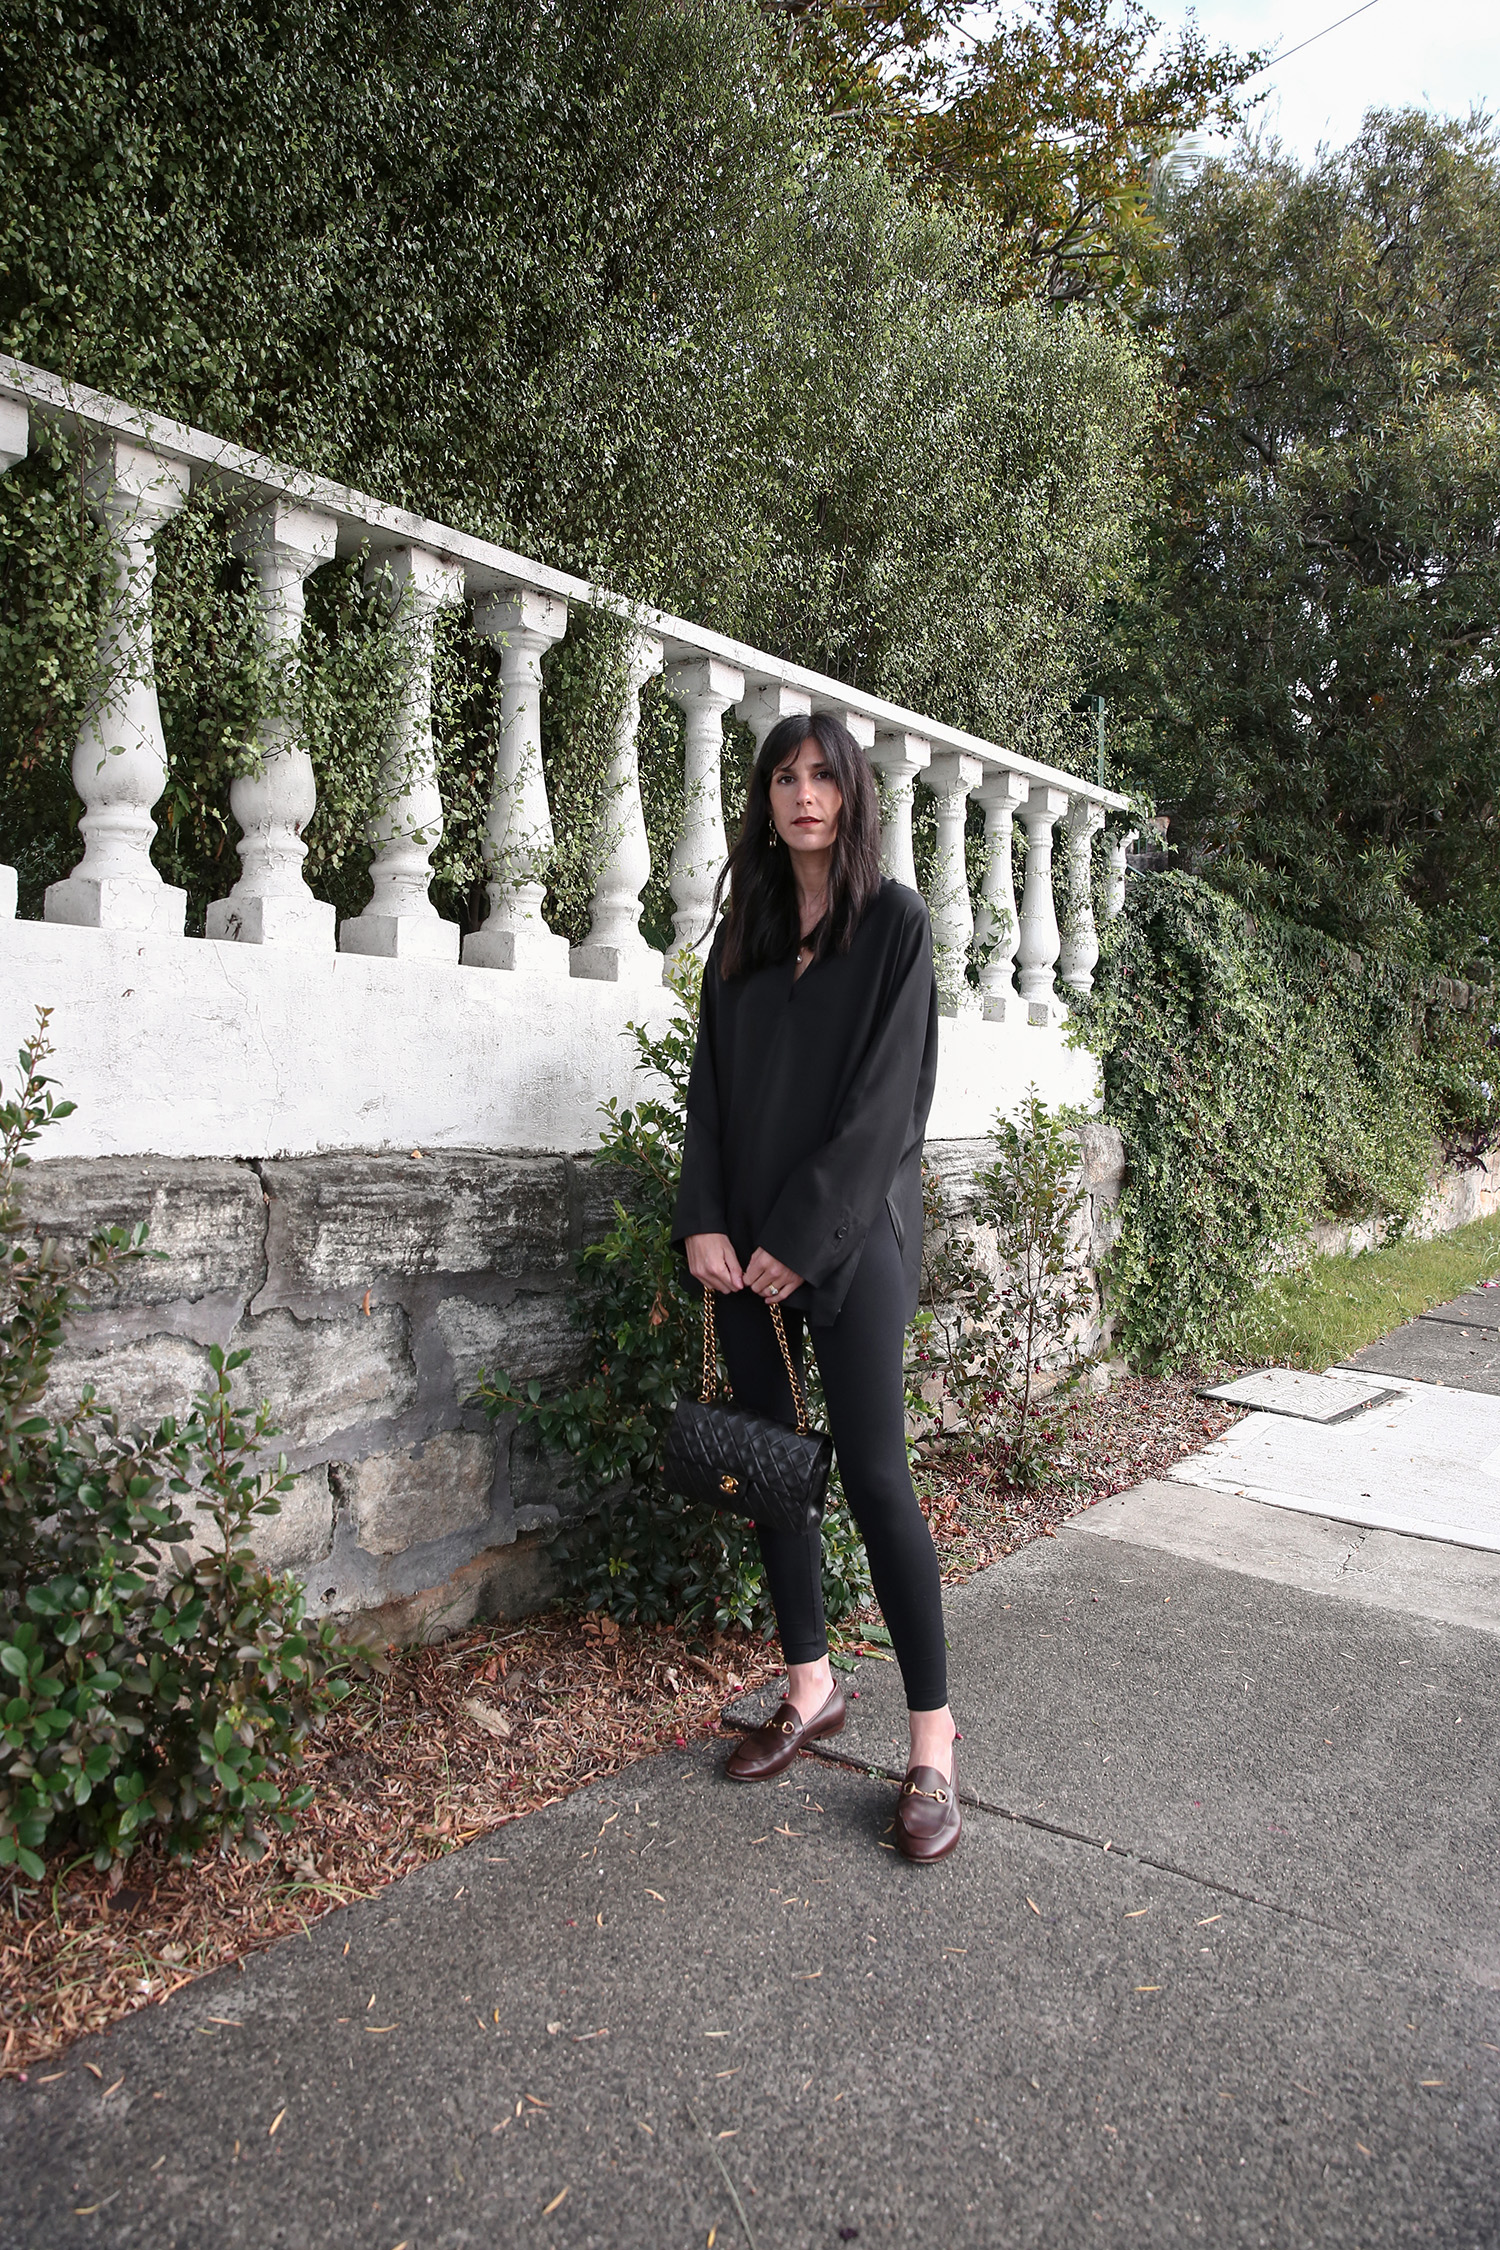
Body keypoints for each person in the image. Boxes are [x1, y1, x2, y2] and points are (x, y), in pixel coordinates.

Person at [671, 710, 960, 1862]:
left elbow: (889, 1105)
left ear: (851, 796)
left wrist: (803, 1234)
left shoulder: (893, 924)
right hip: (739, 1253)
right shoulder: (740, 932)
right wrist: (704, 1221)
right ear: (766, 798)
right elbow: (709, 1095)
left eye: (821, 777)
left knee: (879, 1481)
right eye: (784, 777)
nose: (803, 795)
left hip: (853, 1242)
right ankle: (810, 1685)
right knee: (772, 1472)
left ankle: (933, 1749)